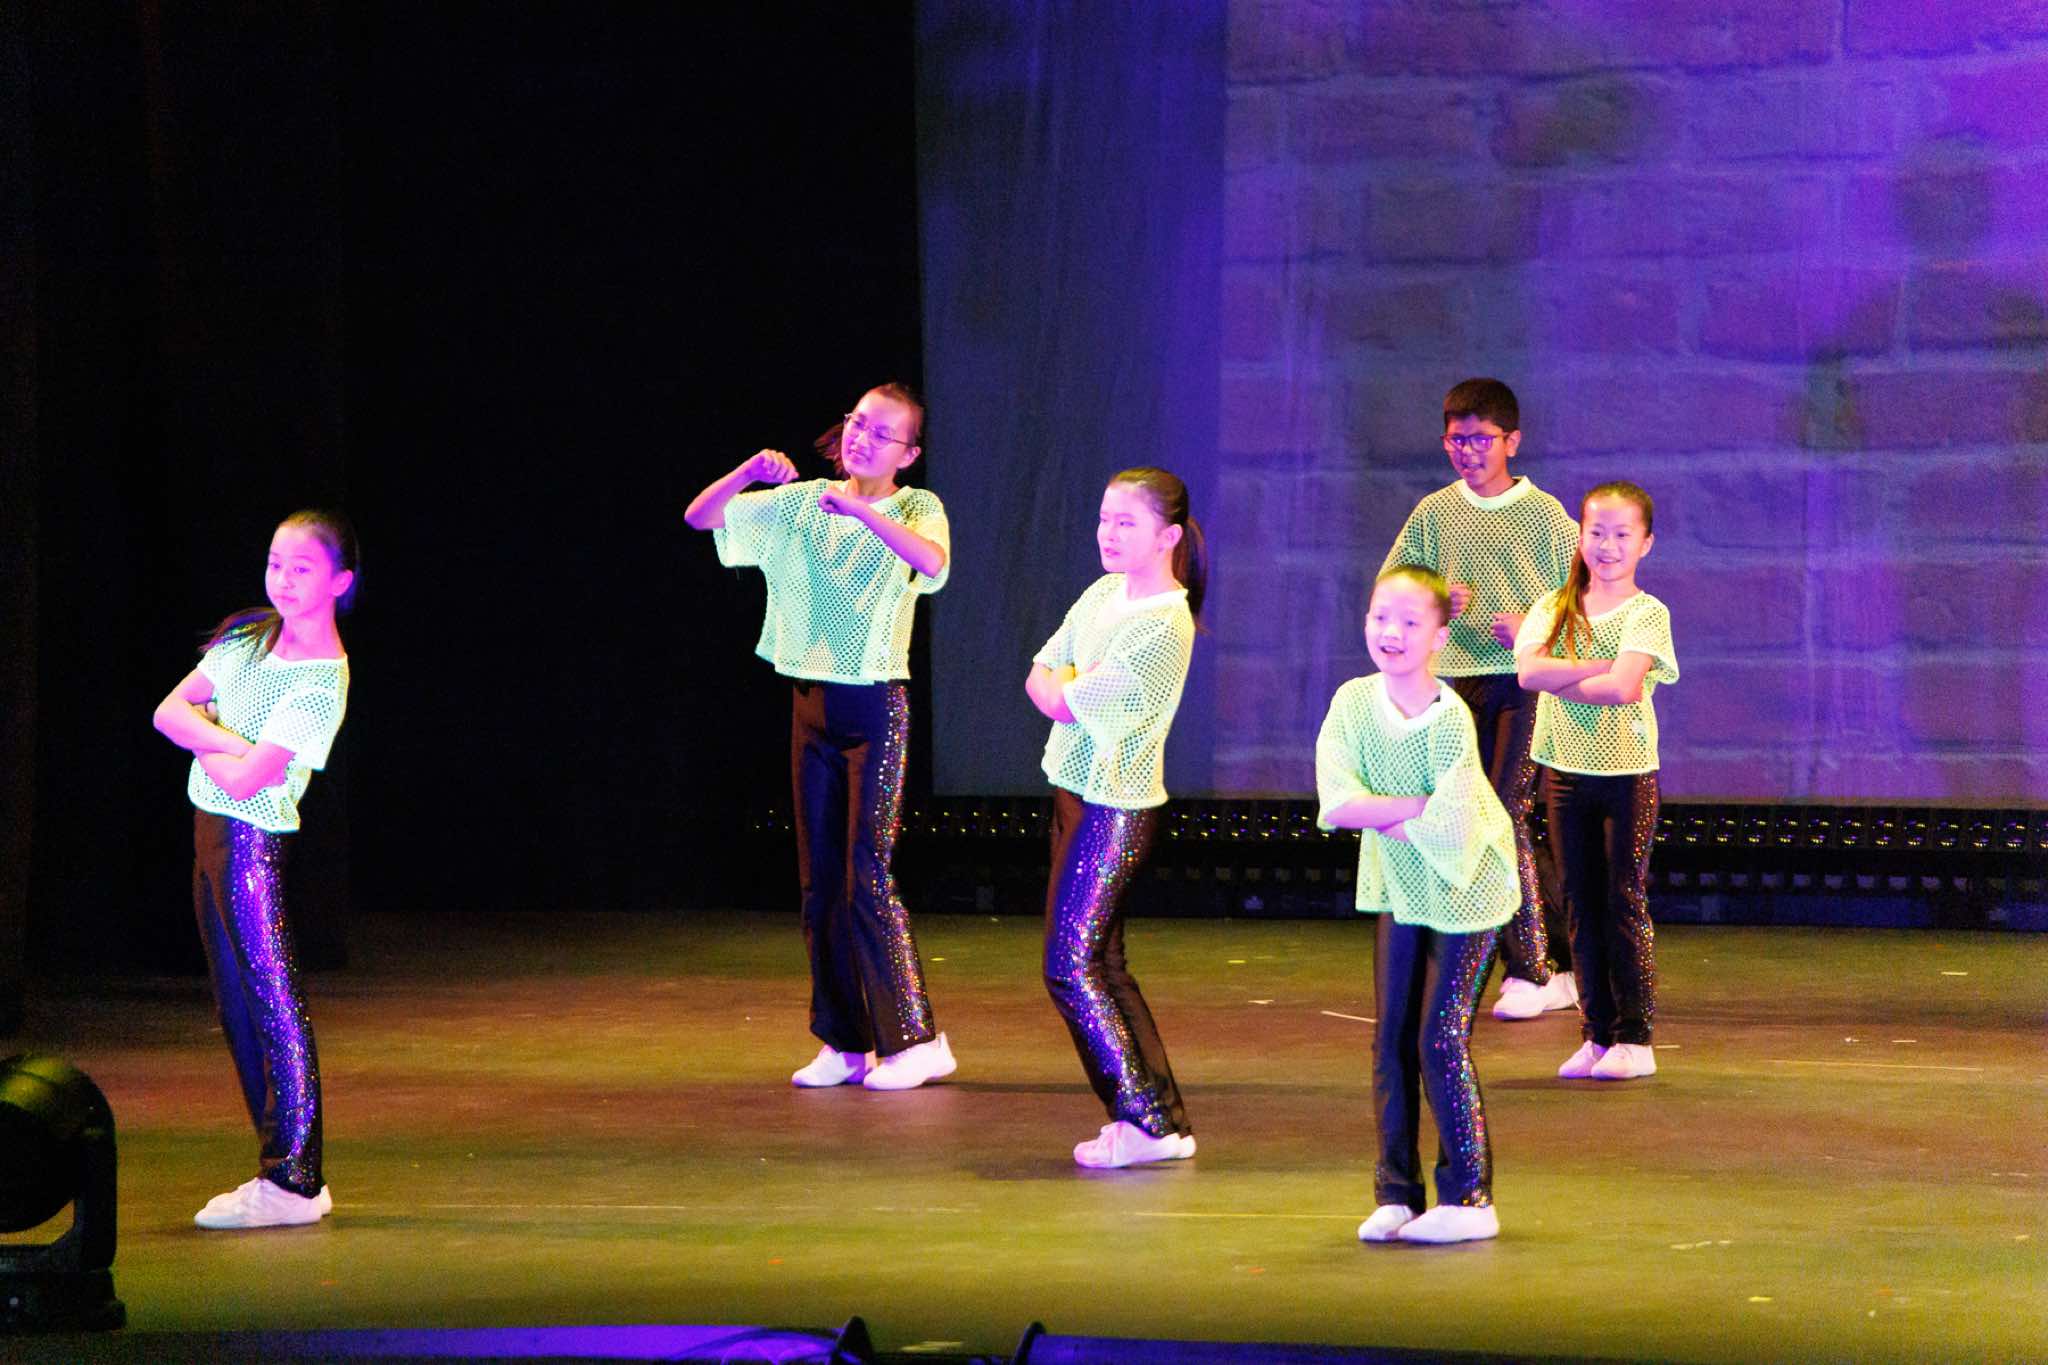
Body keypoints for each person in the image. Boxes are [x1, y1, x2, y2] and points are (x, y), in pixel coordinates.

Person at [685, 383, 956, 1091]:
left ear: (909, 453)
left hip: (874, 705)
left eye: (882, 432)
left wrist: (863, 510)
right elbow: (700, 517)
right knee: (820, 883)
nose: (863, 437)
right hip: (810, 704)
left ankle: (916, 1040)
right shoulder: (805, 502)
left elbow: (931, 563)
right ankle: (843, 1040)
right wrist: (748, 473)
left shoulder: (915, 507)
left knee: (867, 873)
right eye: (857, 422)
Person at [153, 510, 357, 1229]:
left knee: (272, 1000)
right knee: (235, 1004)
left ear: (339, 581)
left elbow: (249, 783)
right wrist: (230, 743)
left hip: (251, 843)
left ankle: (293, 1178)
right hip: (210, 831)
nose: (283, 580)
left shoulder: (321, 682)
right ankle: (284, 1170)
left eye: (302, 568)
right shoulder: (246, 639)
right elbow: (166, 713)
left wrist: (210, 738)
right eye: (276, 563)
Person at [1318, 565, 1519, 1244]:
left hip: (1471, 888)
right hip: (1402, 888)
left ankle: (1470, 1196)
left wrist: (1389, 811)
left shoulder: (1449, 716)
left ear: (1439, 636)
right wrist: (1412, 808)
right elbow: (1338, 802)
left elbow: (1454, 827)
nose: (1392, 632)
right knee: (1391, 1037)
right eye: (1381, 616)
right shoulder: (1352, 703)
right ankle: (1397, 1193)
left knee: (1440, 1035)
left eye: (1410, 621)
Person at [1380, 378, 1580, 1022]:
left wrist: (1534, 625)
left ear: (1511, 442)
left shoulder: (1545, 516)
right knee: (1479, 815)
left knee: (1503, 811)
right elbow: (1392, 590)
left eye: (1480, 440)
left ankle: (1533, 970)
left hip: (1523, 683)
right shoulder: (1434, 514)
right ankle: (1560, 964)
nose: (1467, 452)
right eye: (1456, 441)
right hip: (1454, 683)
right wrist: (1435, 597)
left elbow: (1583, 602)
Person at [1026, 467, 1204, 1169]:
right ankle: (1157, 1119)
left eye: (1126, 522)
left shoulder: (1164, 622)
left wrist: (1066, 683)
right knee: (1102, 963)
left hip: (1115, 806)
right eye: (1105, 519)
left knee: (1071, 965)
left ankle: (1148, 1122)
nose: (1108, 533)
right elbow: (1040, 672)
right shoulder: (1104, 593)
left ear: (1167, 537)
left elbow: (1061, 699)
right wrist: (1066, 681)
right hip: (1074, 792)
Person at [1514, 482, 1678, 1083]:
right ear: (1580, 537)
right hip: (1563, 774)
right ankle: (1596, 1034)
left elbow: (1624, 687)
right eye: (1597, 533)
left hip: (1627, 776)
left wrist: (1565, 674)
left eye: (1622, 534)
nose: (1607, 546)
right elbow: (1528, 672)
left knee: (1621, 901)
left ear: (1646, 543)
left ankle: (1635, 1038)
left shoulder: (1647, 613)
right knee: (1579, 904)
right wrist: (1592, 666)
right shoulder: (1553, 607)